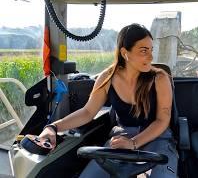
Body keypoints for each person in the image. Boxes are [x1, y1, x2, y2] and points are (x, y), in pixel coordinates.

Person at [39, 23, 178, 178]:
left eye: (151, 50)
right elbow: (87, 112)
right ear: (125, 53)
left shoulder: (159, 78)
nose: (151, 57)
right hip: (121, 138)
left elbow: (162, 120)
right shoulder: (107, 77)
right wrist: (53, 127)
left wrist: (133, 143)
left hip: (157, 138)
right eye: (144, 51)